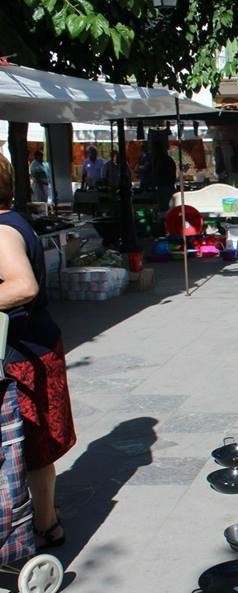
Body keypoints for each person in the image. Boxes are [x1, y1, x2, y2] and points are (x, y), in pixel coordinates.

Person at [0, 154, 77, 549]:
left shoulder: (2, 231)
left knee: (32, 446)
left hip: (24, 353)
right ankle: (45, 517)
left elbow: (22, 287)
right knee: (35, 446)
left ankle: (45, 524)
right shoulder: (13, 222)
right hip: (35, 345)